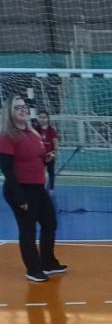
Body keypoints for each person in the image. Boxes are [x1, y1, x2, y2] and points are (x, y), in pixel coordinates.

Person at [0, 96, 66, 282]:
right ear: (9, 112)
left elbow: (36, 157)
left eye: (24, 106)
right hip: (20, 189)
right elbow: (7, 168)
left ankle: (48, 263)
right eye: (17, 107)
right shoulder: (7, 136)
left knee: (50, 223)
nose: (23, 109)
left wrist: (46, 158)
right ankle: (33, 269)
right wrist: (19, 197)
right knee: (28, 230)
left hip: (38, 188)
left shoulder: (32, 133)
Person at [34, 110, 58, 194]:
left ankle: (51, 189)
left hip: (50, 155)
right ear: (38, 118)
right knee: (39, 172)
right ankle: (40, 187)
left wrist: (53, 154)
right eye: (40, 117)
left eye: (44, 117)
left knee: (51, 172)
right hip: (40, 156)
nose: (42, 119)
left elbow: (55, 144)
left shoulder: (51, 130)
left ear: (48, 119)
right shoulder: (35, 129)